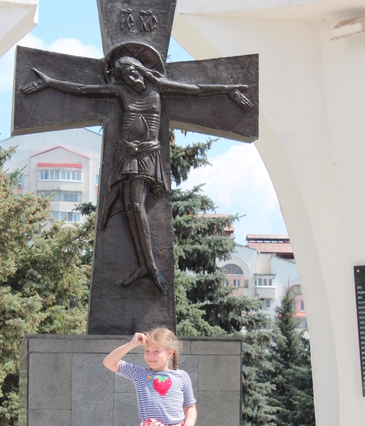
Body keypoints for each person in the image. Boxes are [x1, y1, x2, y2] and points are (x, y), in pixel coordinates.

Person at [21, 52, 252, 295]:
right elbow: (83, 89)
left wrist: (229, 90)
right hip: (126, 154)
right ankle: (143, 265)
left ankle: (150, 266)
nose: (131, 79)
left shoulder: (157, 87)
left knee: (136, 205)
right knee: (129, 206)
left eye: (132, 72)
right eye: (125, 77)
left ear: (140, 69)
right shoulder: (121, 92)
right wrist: (49, 83)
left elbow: (195, 89)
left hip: (146, 154)